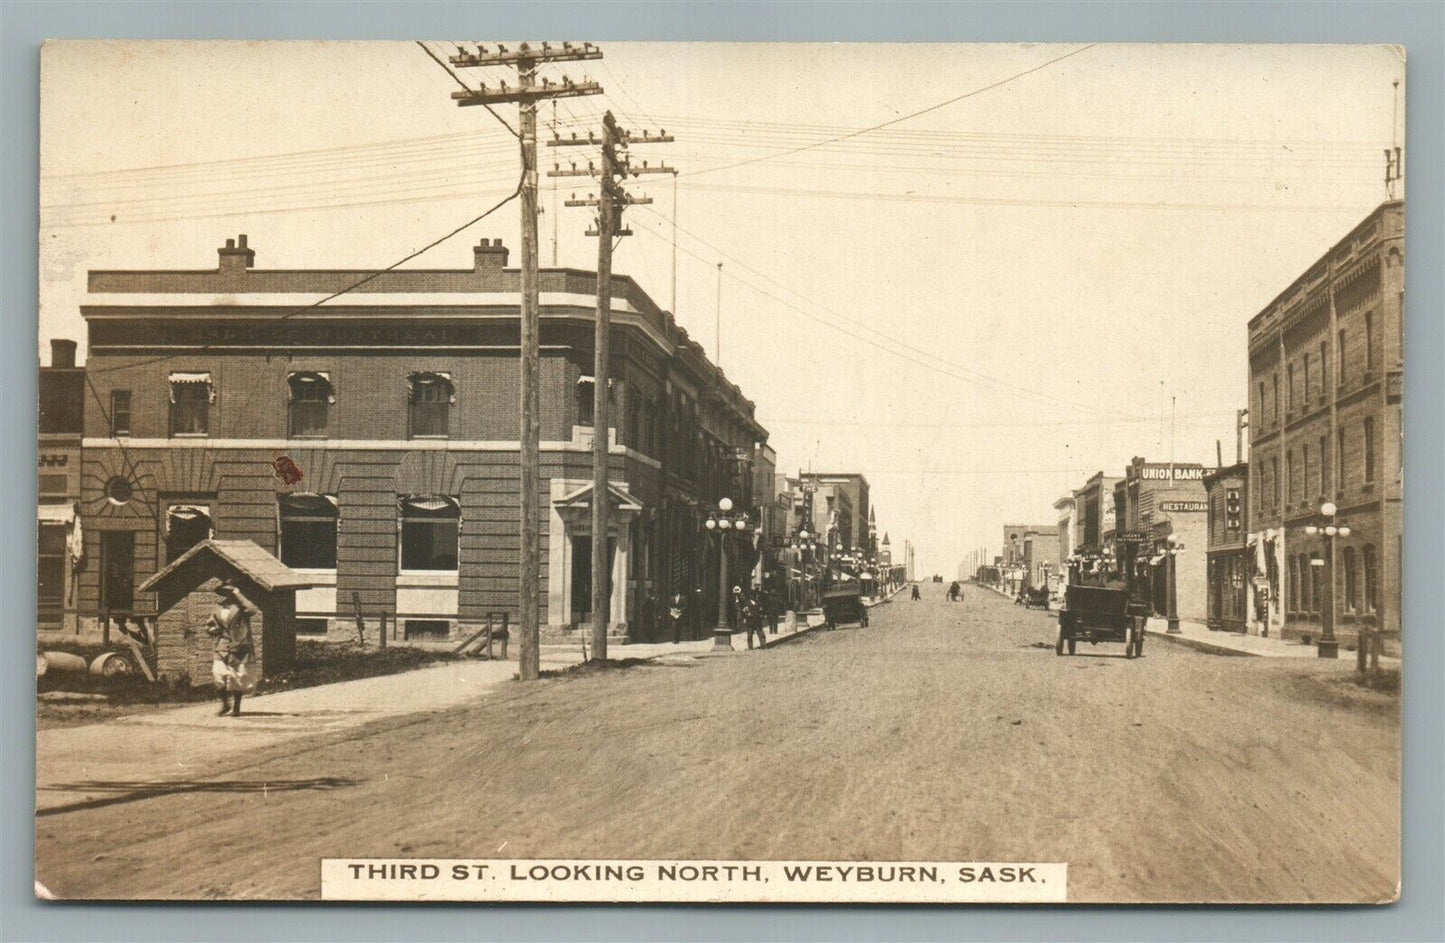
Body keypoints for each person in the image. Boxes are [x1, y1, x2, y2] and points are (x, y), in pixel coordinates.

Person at [207, 581, 260, 717]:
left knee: (237, 677)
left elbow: (253, 610)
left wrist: (239, 595)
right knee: (217, 674)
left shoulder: (242, 607)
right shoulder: (218, 607)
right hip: (222, 645)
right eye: (225, 592)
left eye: (230, 592)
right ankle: (225, 704)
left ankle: (236, 707)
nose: (228, 595)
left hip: (239, 645)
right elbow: (211, 624)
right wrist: (212, 629)